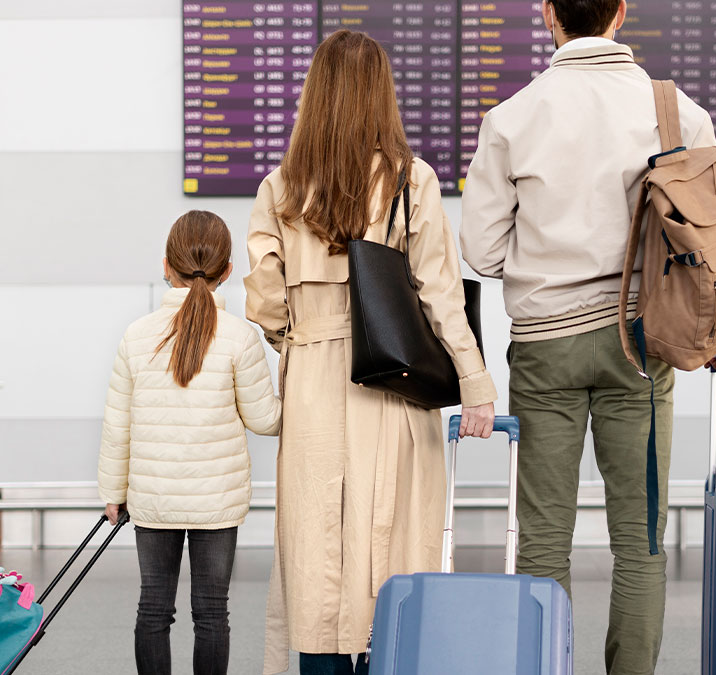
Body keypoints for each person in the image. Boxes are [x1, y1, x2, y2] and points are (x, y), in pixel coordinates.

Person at [459, 2, 716, 673]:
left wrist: (545, 258)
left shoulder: (512, 118)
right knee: (640, 538)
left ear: (547, 14)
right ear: (621, 13)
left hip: (545, 344)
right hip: (641, 344)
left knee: (543, 539)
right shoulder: (679, 114)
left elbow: (481, 250)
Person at [245, 30, 497, 675]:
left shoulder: (281, 186)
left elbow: (265, 298)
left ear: (315, 94)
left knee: (313, 545)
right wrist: (474, 380)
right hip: (395, 378)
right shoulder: (413, 181)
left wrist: (297, 342)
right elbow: (439, 295)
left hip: (312, 379)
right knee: (390, 541)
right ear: (381, 92)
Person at [97, 211, 283, 675]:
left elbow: (118, 425)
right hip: (216, 503)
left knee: (153, 612)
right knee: (211, 615)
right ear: (225, 271)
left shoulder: (136, 336)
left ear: (166, 265)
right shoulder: (241, 337)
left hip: (152, 498)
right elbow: (265, 420)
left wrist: (113, 494)